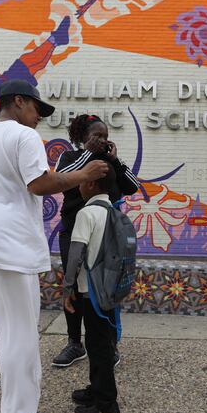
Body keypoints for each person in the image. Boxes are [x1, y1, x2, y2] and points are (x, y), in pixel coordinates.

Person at [0, 79, 109, 413]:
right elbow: (39, 183)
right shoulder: (22, 137)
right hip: (8, 244)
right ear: (18, 102)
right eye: (36, 109)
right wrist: (86, 173)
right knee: (16, 332)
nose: (38, 119)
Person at [51, 114, 140, 368]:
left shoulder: (109, 161)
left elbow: (133, 186)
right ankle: (74, 343)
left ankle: (107, 344)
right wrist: (86, 154)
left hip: (107, 233)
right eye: (96, 136)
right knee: (74, 286)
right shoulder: (70, 157)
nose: (102, 140)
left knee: (106, 285)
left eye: (105, 135)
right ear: (82, 137)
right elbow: (60, 178)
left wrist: (115, 160)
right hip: (73, 231)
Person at [63, 155, 122, 413]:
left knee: (97, 347)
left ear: (90, 185)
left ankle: (106, 408)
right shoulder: (115, 213)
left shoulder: (87, 214)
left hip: (91, 294)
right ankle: (96, 390)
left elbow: (75, 255)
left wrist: (67, 288)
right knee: (101, 344)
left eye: (84, 180)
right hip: (110, 294)